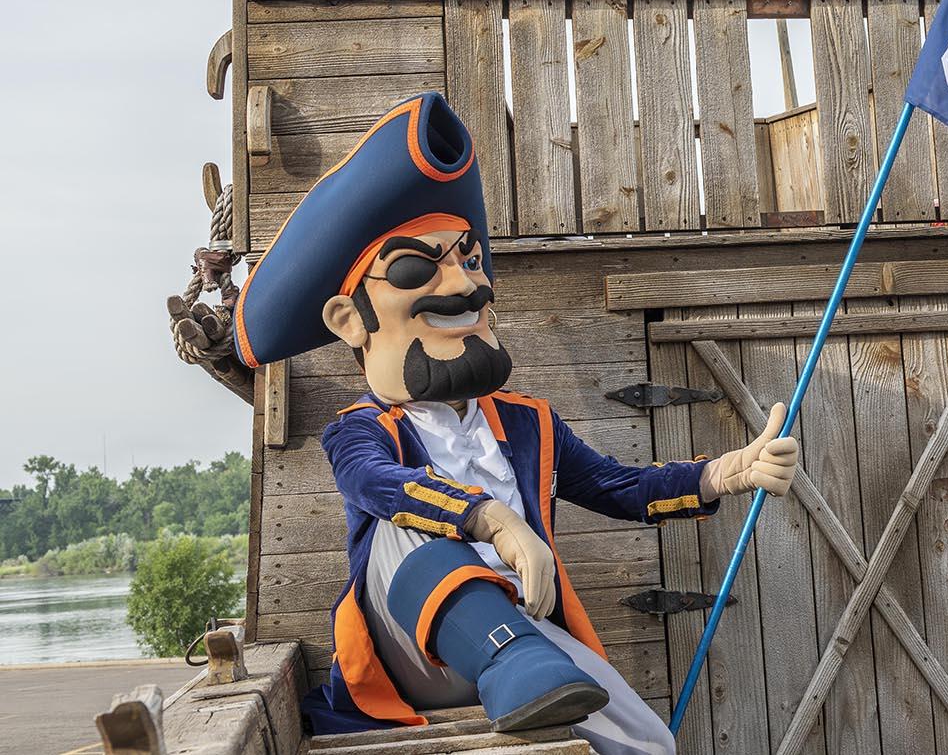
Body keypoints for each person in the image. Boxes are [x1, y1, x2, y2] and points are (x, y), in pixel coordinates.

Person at [233, 92, 798, 753]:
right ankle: (504, 655)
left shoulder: (529, 424)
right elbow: (376, 485)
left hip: (531, 635)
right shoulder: (361, 431)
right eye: (419, 266)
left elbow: (619, 488)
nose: (462, 284)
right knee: (398, 526)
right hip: (416, 656)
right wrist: (495, 521)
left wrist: (723, 473)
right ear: (349, 319)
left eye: (469, 260)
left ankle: (522, 661)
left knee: (650, 744)